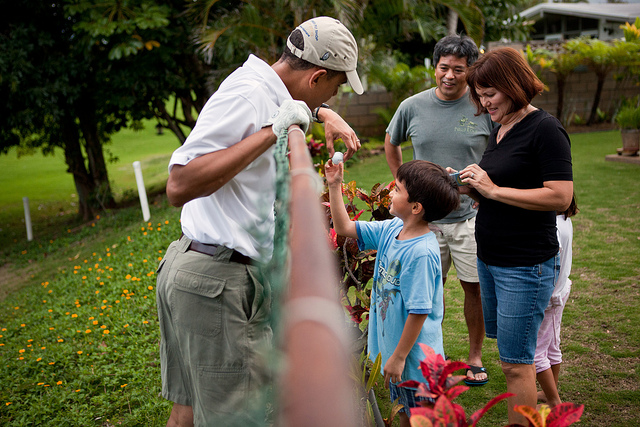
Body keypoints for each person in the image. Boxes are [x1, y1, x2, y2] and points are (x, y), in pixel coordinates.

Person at [155, 16, 364, 427]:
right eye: (336, 86)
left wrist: (321, 112)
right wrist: (273, 132)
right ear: (317, 75)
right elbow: (178, 184)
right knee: (234, 419)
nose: (337, 94)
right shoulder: (251, 98)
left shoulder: (266, 88)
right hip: (216, 283)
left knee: (186, 414)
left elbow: (289, 101)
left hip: (200, 272)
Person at [459, 47, 573, 426]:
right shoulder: (501, 127)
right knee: (510, 355)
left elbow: (560, 196)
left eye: (489, 92)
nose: (483, 101)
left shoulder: (545, 128)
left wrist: (492, 191)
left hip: (525, 264)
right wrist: (471, 186)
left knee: (515, 365)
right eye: (479, 93)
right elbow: (504, 185)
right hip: (491, 257)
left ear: (514, 84)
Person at [384, 34, 493, 386]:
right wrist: (404, 182)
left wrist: (485, 189)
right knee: (426, 293)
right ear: (435, 68)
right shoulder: (412, 105)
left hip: (468, 218)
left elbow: (499, 150)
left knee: (473, 288)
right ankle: (431, 361)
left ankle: (475, 356)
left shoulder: (483, 106)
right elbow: (392, 142)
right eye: (443, 68)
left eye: (458, 69)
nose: (449, 75)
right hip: (425, 222)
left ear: (470, 71)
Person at [326, 159, 460, 427]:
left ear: (416, 207)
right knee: (402, 415)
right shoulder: (392, 229)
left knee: (419, 420)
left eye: (397, 189)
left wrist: (398, 358)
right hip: (395, 360)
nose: (390, 192)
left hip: (416, 366)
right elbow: (344, 228)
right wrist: (335, 185)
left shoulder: (421, 252)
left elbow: (419, 311)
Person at [535, 195, 578, 409]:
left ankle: (553, 400)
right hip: (559, 291)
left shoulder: (552, 228)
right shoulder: (563, 220)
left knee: (535, 352)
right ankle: (549, 391)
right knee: (552, 344)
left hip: (549, 297)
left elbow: (550, 264)